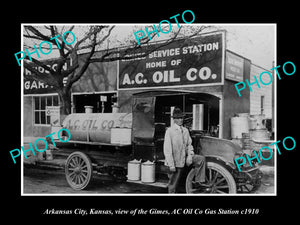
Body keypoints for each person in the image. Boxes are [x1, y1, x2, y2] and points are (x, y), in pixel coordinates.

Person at [163, 107, 206, 193]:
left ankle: (198, 183)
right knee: (173, 186)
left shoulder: (185, 131)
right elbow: (167, 150)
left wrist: (190, 155)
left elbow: (189, 145)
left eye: (181, 118)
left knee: (201, 159)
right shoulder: (170, 131)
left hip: (184, 159)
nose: (180, 120)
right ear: (174, 119)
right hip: (175, 162)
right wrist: (171, 165)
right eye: (178, 118)